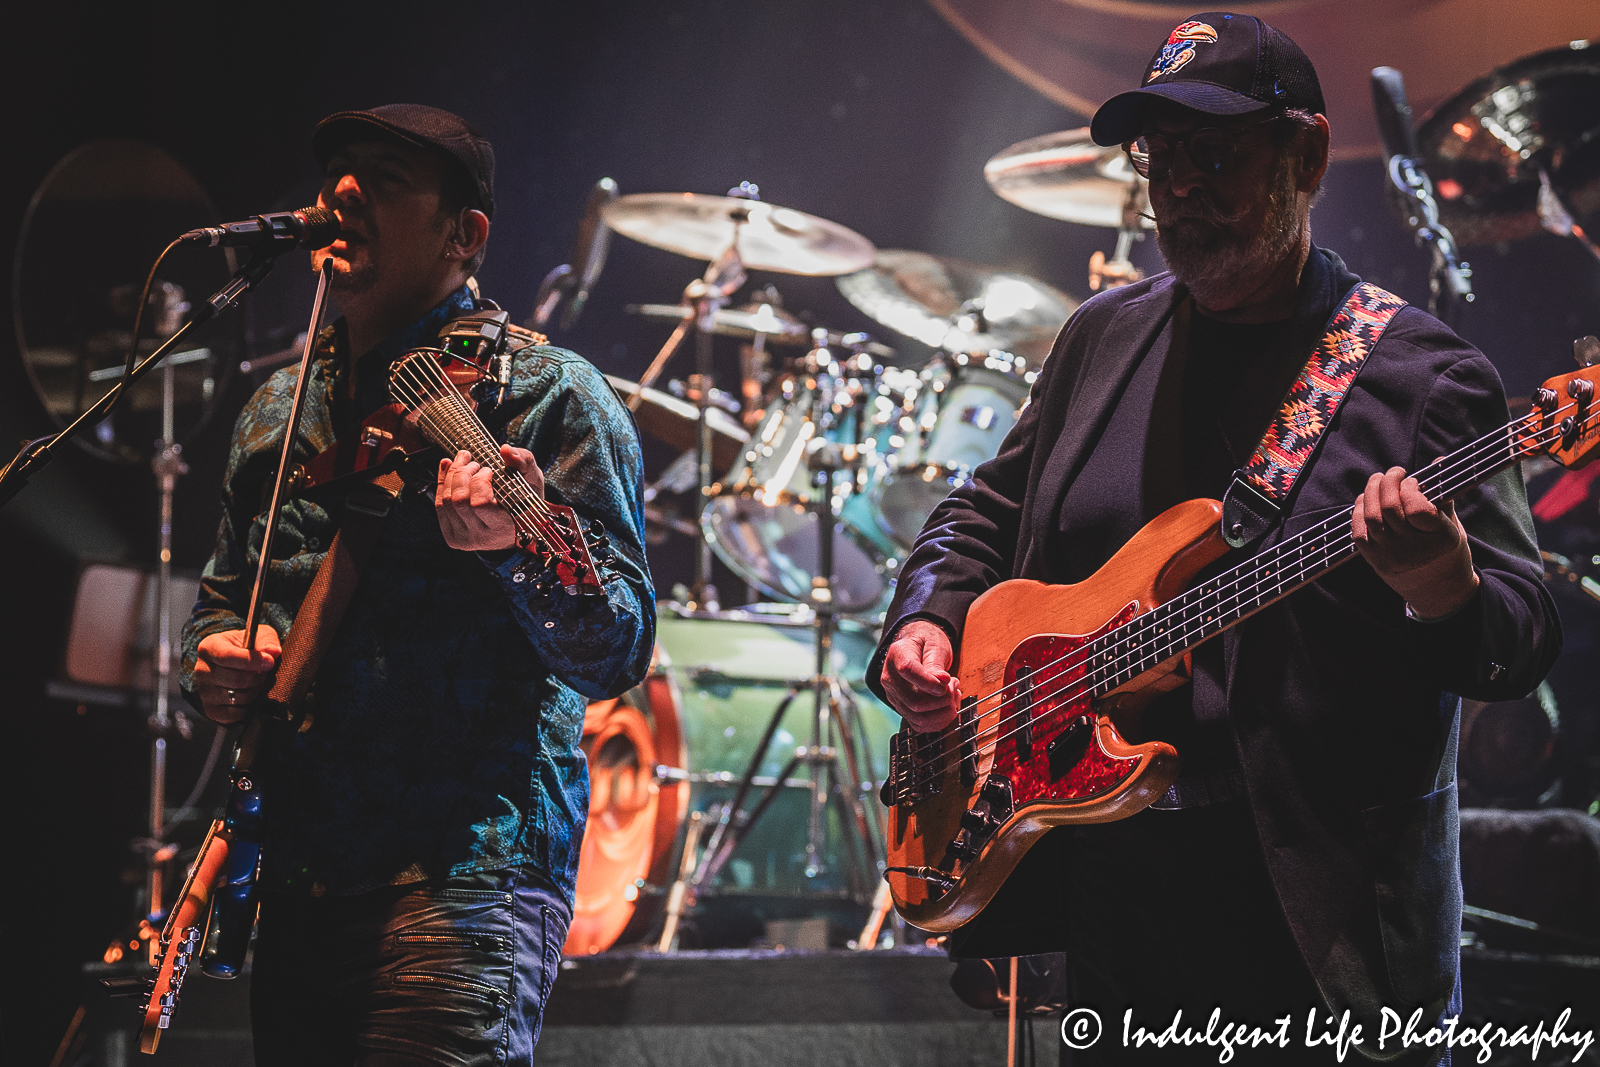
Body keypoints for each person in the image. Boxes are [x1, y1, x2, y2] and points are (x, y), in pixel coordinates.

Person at [870, 14, 1561, 1064]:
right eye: (1161, 157)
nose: (1180, 186)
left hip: (1315, 925)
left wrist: (1442, 588)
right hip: (1105, 894)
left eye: (1216, 151)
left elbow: (1525, 634)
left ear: (1310, 155)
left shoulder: (1422, 379)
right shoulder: (1101, 336)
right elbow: (984, 511)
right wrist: (926, 619)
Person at [180, 104, 654, 1065]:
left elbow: (620, 646)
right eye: (336, 172)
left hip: (466, 874)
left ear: (464, 234)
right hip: (300, 876)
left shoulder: (549, 395)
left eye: (384, 179)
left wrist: (512, 548)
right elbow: (224, 602)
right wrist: (217, 659)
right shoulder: (277, 409)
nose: (342, 192)